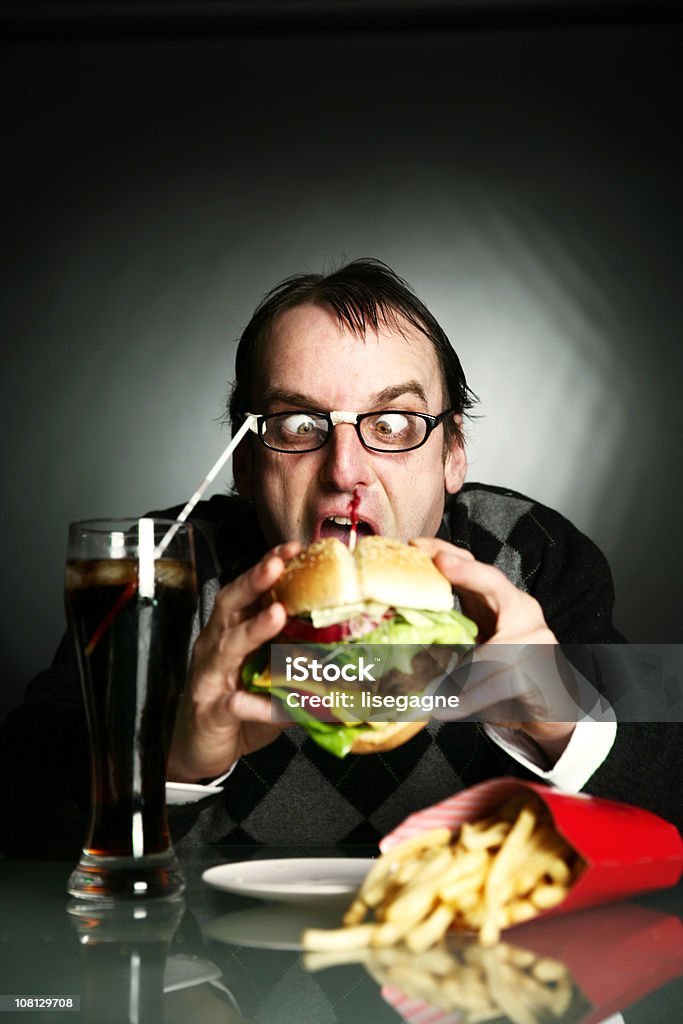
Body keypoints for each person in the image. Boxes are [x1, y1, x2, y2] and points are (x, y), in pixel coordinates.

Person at [0, 259, 679, 858]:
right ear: (245, 463)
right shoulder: (166, 563)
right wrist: (171, 758)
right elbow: (21, 794)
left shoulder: (528, 551)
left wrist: (564, 715)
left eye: (392, 424)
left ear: (452, 454)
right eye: (298, 426)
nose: (345, 470)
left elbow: (668, 782)